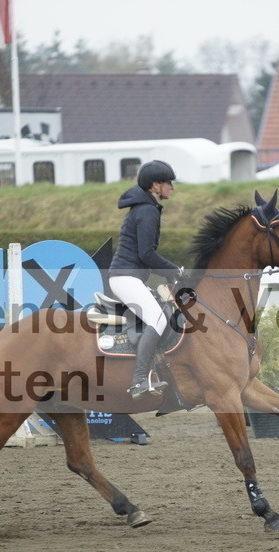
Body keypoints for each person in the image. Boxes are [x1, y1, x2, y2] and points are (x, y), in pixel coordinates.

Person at [108, 160, 183, 399]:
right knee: (158, 319)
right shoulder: (147, 210)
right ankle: (139, 380)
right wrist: (173, 270)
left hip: (130, 277)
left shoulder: (146, 207)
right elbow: (146, 254)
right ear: (155, 185)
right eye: (168, 182)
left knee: (160, 315)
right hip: (125, 277)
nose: (172, 187)